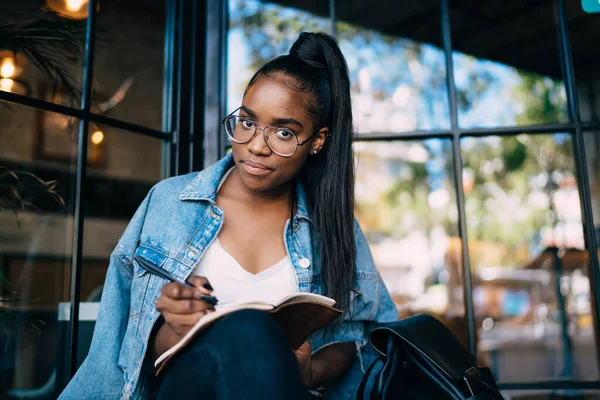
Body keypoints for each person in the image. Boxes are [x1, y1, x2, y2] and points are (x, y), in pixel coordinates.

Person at [59, 32, 397, 400]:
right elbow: (118, 349)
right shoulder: (169, 202)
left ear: (318, 141)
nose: (254, 145)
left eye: (284, 132)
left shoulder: (334, 227)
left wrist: (312, 368)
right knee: (248, 328)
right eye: (247, 122)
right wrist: (174, 327)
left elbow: (360, 338)